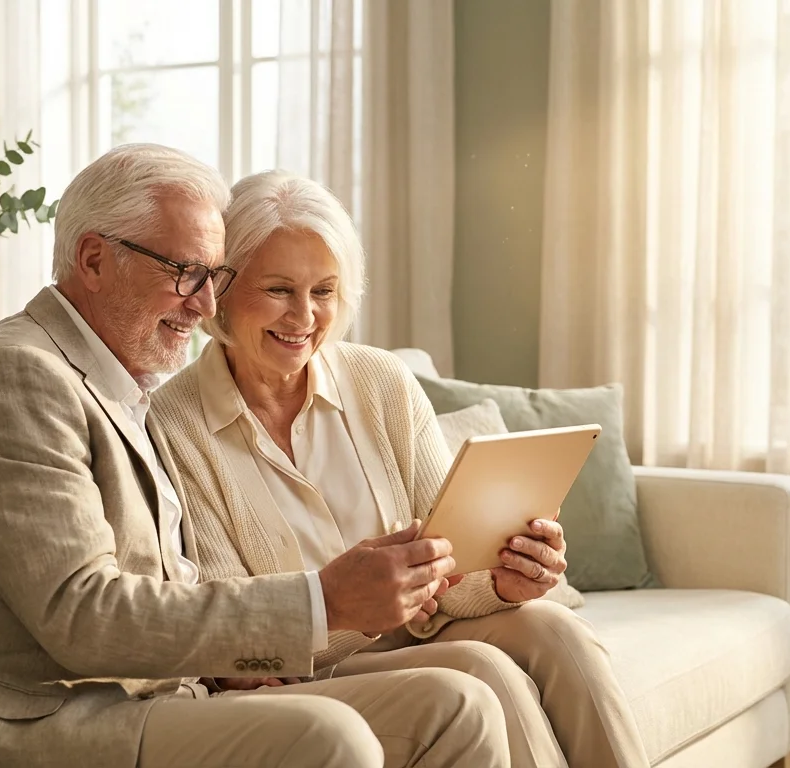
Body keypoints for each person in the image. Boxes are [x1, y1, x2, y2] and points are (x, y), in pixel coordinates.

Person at [0, 144, 512, 768]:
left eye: (212, 277)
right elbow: (81, 613)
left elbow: (168, 582)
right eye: (185, 272)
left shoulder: (120, 385)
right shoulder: (17, 376)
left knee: (456, 702)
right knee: (330, 735)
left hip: (155, 695)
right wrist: (325, 600)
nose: (206, 305)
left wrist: (227, 665)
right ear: (94, 259)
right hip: (41, 716)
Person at [150, 170, 651, 768]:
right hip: (305, 671)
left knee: (555, 631)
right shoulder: (173, 423)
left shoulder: (382, 381)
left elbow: (450, 564)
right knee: (485, 667)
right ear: (223, 293)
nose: (304, 317)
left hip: (419, 633)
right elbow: (230, 629)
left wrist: (499, 580)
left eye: (325, 291)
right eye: (279, 289)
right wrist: (366, 605)